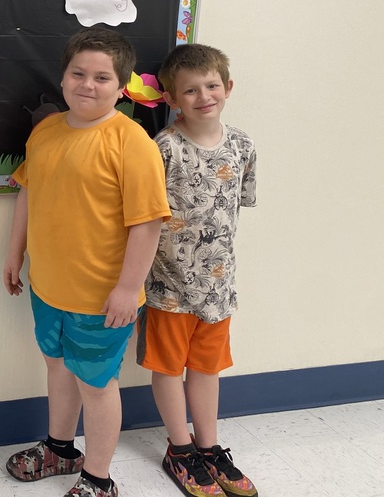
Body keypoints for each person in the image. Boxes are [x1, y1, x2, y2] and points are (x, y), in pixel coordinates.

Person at [3, 27, 171, 497]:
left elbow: (148, 223)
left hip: (102, 297)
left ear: (121, 88)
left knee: (96, 385)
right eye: (78, 74)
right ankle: (59, 448)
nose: (87, 85)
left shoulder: (131, 142)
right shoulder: (46, 132)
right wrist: (15, 251)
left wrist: (127, 289)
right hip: (48, 286)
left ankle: (98, 477)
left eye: (102, 78)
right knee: (58, 368)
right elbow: (28, 192)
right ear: (62, 78)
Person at [137, 43, 257, 497]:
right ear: (171, 98)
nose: (204, 96)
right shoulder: (163, 148)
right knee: (169, 368)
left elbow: (237, 204)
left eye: (211, 86)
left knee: (207, 368)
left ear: (228, 87)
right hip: (169, 288)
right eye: (190, 90)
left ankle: (209, 447)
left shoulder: (242, 144)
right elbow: (146, 217)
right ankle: (180, 448)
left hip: (218, 289)